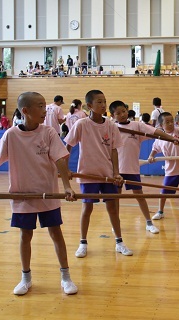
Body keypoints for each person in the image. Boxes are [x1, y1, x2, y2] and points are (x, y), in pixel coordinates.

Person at [0, 91, 78, 296]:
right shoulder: (11, 135)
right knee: (25, 236)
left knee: (56, 233)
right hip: (22, 195)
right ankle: (26, 278)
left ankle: (66, 277)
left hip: (48, 193)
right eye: (40, 106)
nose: (45, 110)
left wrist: (66, 186)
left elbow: (60, 160)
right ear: (25, 111)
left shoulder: (48, 132)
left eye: (45, 105)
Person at [64, 89, 133, 258]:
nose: (103, 105)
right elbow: (68, 146)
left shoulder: (111, 125)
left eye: (104, 101)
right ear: (89, 105)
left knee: (113, 209)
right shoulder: (81, 124)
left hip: (107, 174)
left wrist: (116, 173)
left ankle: (119, 242)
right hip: (88, 175)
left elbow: (114, 151)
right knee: (87, 208)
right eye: (99, 102)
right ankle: (83, 243)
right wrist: (65, 169)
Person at [110, 101, 179, 234]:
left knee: (140, 197)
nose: (122, 115)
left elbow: (155, 131)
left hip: (132, 169)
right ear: (113, 116)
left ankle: (149, 222)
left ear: (127, 110)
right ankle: (115, 223)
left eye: (123, 111)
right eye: (118, 113)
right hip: (116, 170)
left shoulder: (136, 126)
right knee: (116, 198)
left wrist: (171, 139)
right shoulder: (112, 128)